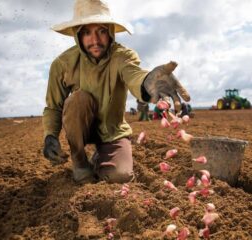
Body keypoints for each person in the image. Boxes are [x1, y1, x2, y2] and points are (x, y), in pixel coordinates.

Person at [42, 0, 190, 184]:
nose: (95, 40)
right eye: (87, 32)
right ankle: (80, 162)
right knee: (78, 99)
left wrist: (147, 81)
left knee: (120, 176)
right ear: (77, 35)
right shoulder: (63, 64)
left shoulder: (122, 56)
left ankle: (100, 158)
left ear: (110, 31)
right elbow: (53, 106)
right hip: (82, 127)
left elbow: (134, 75)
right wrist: (50, 135)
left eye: (102, 31)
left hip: (112, 130)